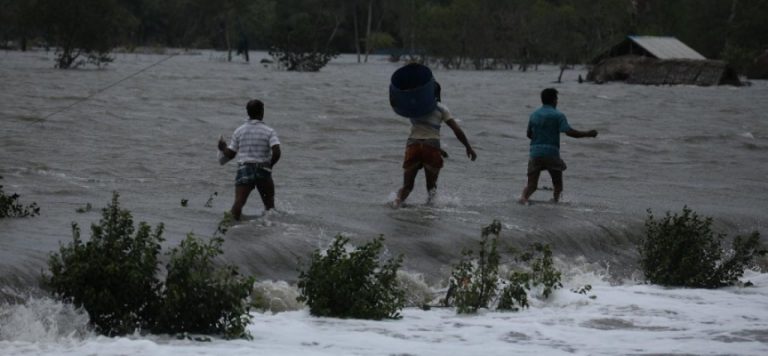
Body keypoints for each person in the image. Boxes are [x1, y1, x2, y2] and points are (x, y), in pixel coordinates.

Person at [393, 82, 477, 208]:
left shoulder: (414, 106)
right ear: (438, 93)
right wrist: (468, 147)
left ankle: (396, 204)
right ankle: (428, 213)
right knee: (431, 188)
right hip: (431, 148)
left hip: (413, 146)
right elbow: (456, 130)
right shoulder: (441, 108)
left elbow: (400, 106)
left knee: (407, 187)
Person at [519, 88, 597, 205]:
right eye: (557, 99)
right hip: (552, 154)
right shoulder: (558, 115)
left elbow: (529, 134)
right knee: (557, 185)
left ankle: (524, 199)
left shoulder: (534, 115)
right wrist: (587, 134)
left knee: (532, 185)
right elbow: (569, 132)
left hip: (535, 153)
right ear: (554, 100)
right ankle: (555, 203)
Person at [218, 99, 281, 219]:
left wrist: (223, 147)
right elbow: (277, 152)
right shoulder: (269, 131)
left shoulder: (239, 130)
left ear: (247, 112)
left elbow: (231, 154)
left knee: (239, 202)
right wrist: (270, 165)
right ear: (262, 112)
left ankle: (229, 227)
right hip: (263, 169)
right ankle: (270, 228)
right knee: (269, 206)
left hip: (245, 168)